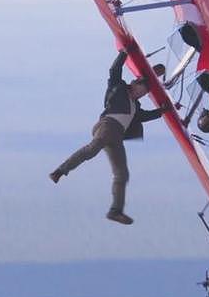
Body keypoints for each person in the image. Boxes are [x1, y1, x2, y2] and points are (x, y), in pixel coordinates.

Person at [49, 49, 166, 225]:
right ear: (134, 83)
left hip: (117, 135)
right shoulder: (118, 88)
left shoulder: (135, 106)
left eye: (145, 92)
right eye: (142, 88)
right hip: (107, 125)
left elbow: (144, 117)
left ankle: (115, 211)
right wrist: (124, 53)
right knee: (92, 149)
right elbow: (114, 71)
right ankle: (59, 171)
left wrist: (164, 111)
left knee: (122, 173)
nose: (143, 93)